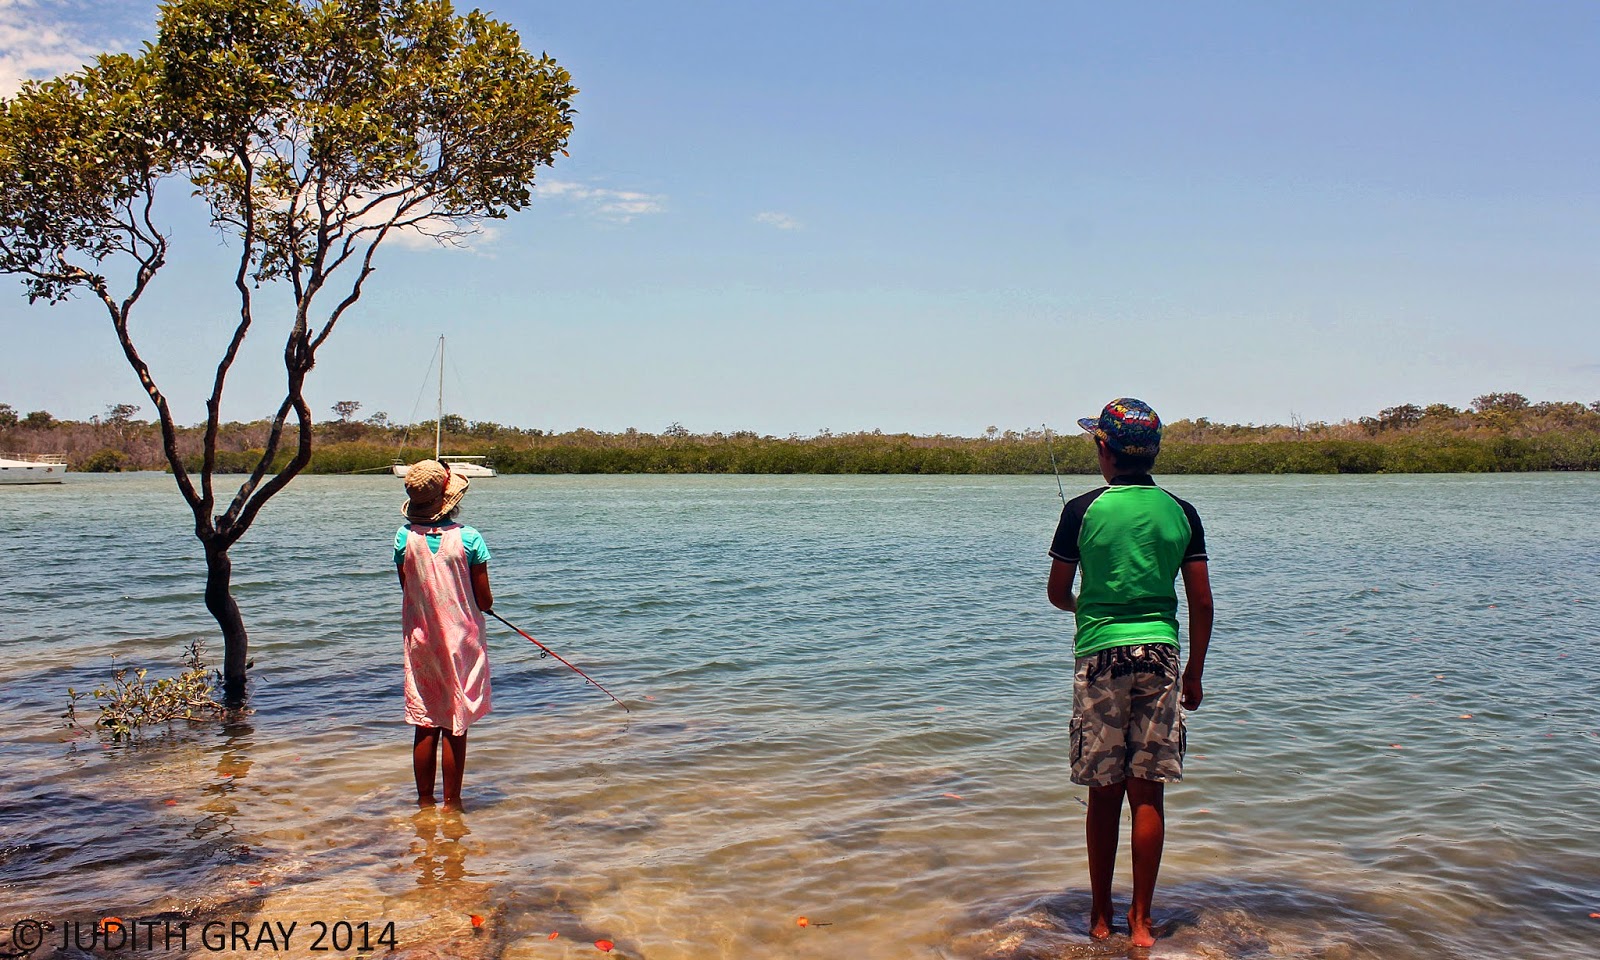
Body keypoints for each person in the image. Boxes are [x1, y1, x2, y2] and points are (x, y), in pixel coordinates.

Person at [1046, 398, 1213, 947]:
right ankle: (1141, 924)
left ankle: (1099, 918)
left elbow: (1057, 594)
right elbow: (1201, 603)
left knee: (1103, 790)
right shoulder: (1181, 511)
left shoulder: (1082, 511)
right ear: (1153, 452)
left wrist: (1085, 606)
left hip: (1100, 656)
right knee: (1148, 793)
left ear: (1104, 450)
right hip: (1162, 656)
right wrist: (1194, 674)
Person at [396, 459, 494, 811]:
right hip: (462, 642)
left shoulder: (403, 537)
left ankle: (424, 805)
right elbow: (484, 601)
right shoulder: (470, 538)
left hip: (421, 640)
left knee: (425, 723)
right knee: (456, 723)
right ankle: (452, 806)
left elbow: (409, 588)